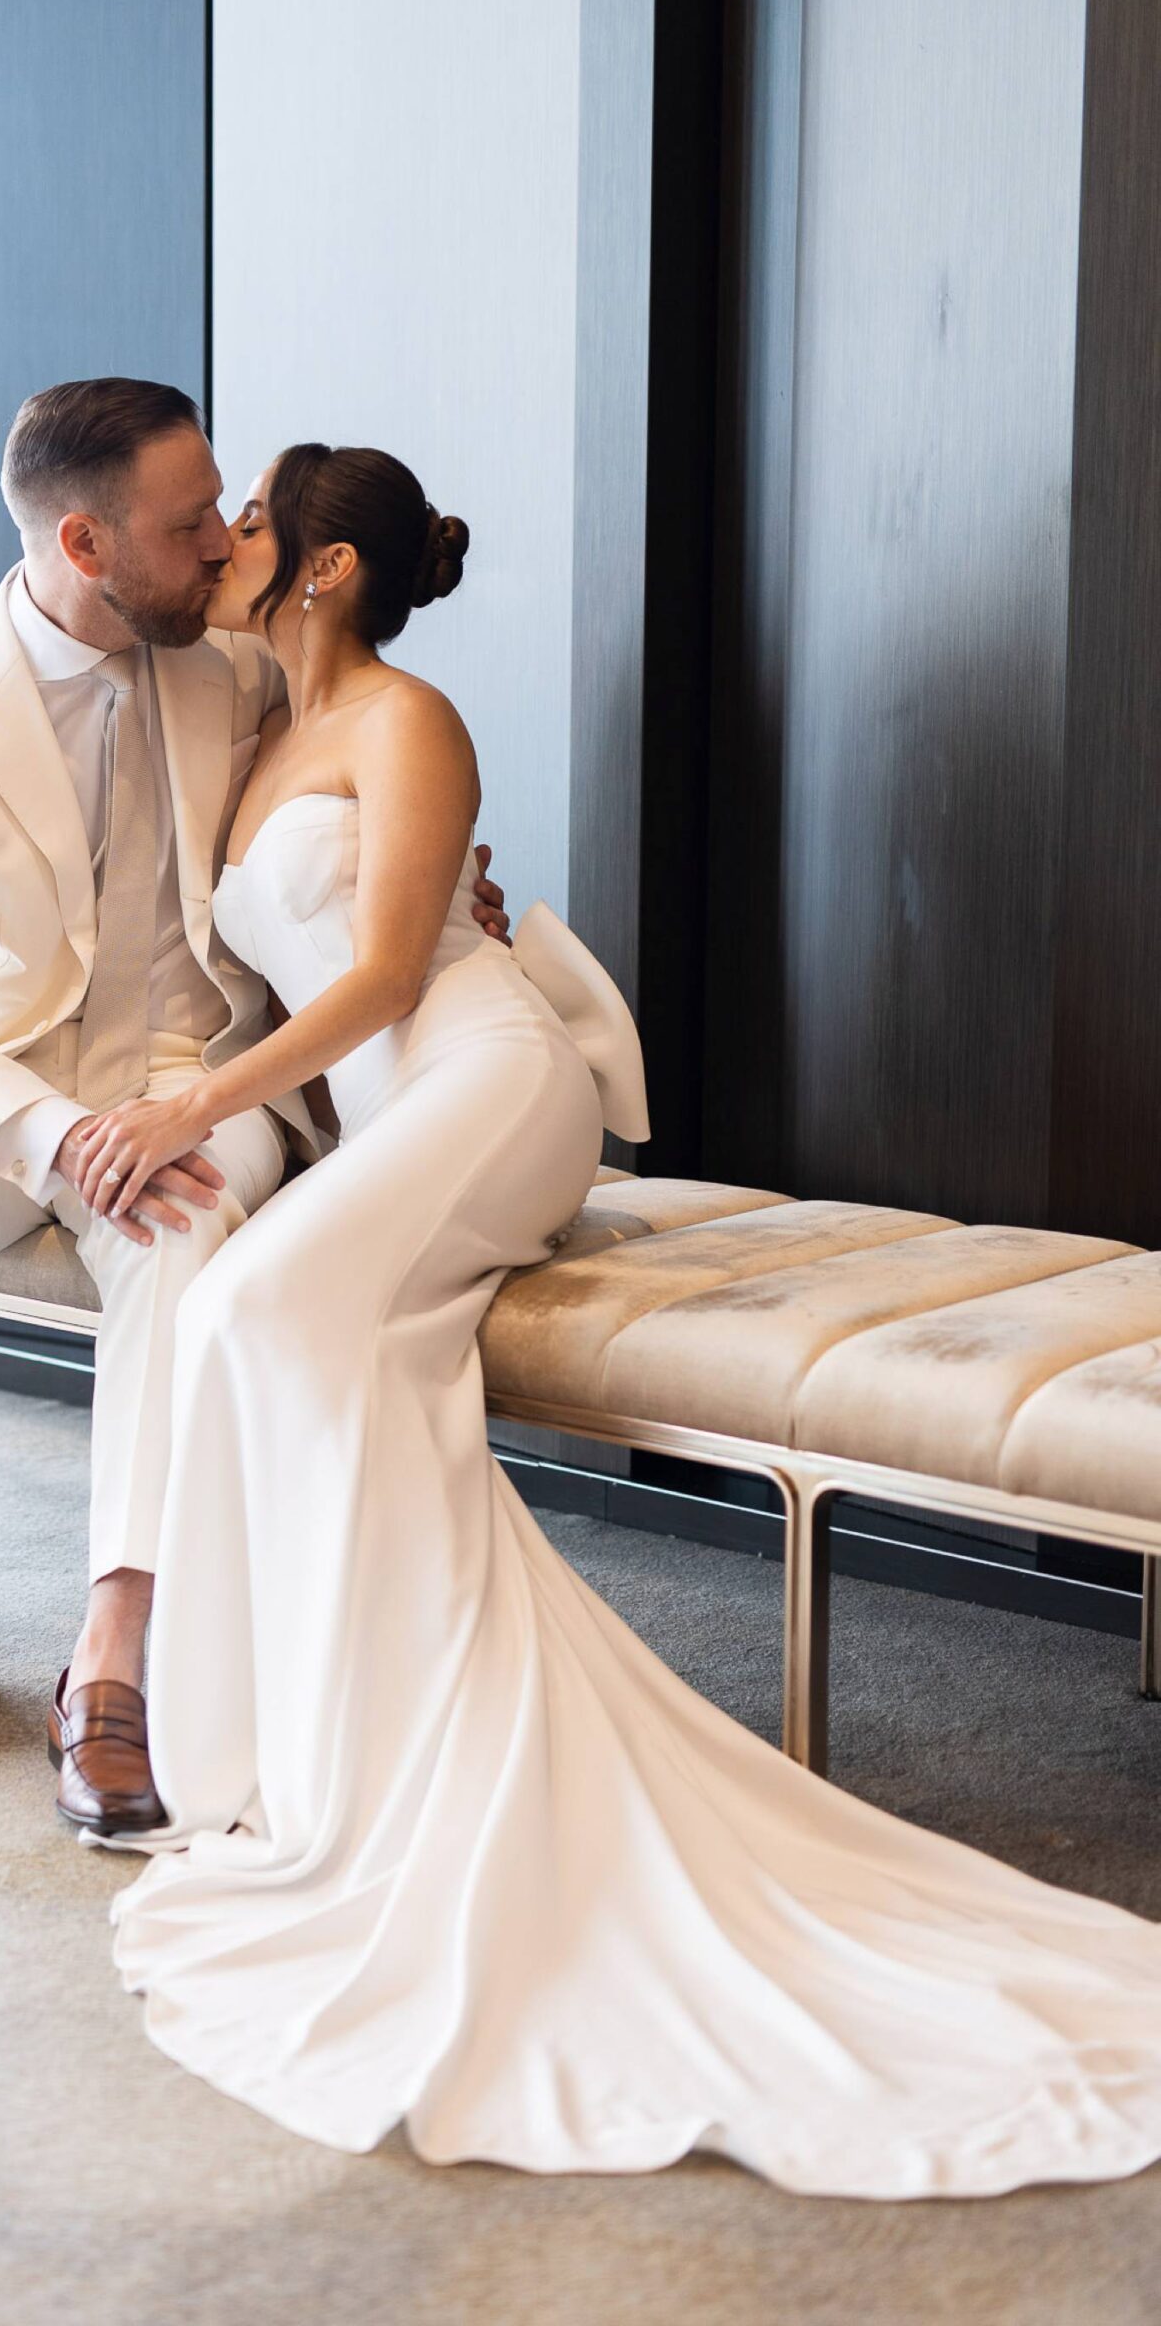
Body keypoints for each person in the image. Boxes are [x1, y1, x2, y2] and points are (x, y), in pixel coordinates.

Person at [68, 441, 1161, 2198]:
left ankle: (396, 1775)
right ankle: (331, 1759)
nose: (228, 543)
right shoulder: (254, 731)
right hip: (394, 1111)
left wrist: (193, 1115)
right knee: (269, 1325)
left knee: (265, 1307)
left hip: (494, 1085)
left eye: (252, 517)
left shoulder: (408, 723)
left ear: (328, 567)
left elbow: (378, 976)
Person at [0, 379, 512, 1823]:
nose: (221, 546)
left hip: (202, 1070)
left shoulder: (237, 662)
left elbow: (363, 795)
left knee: (182, 1223)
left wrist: (444, 896)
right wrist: (50, 1134)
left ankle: (115, 1653)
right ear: (82, 543)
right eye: (191, 525)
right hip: (5, 1081)